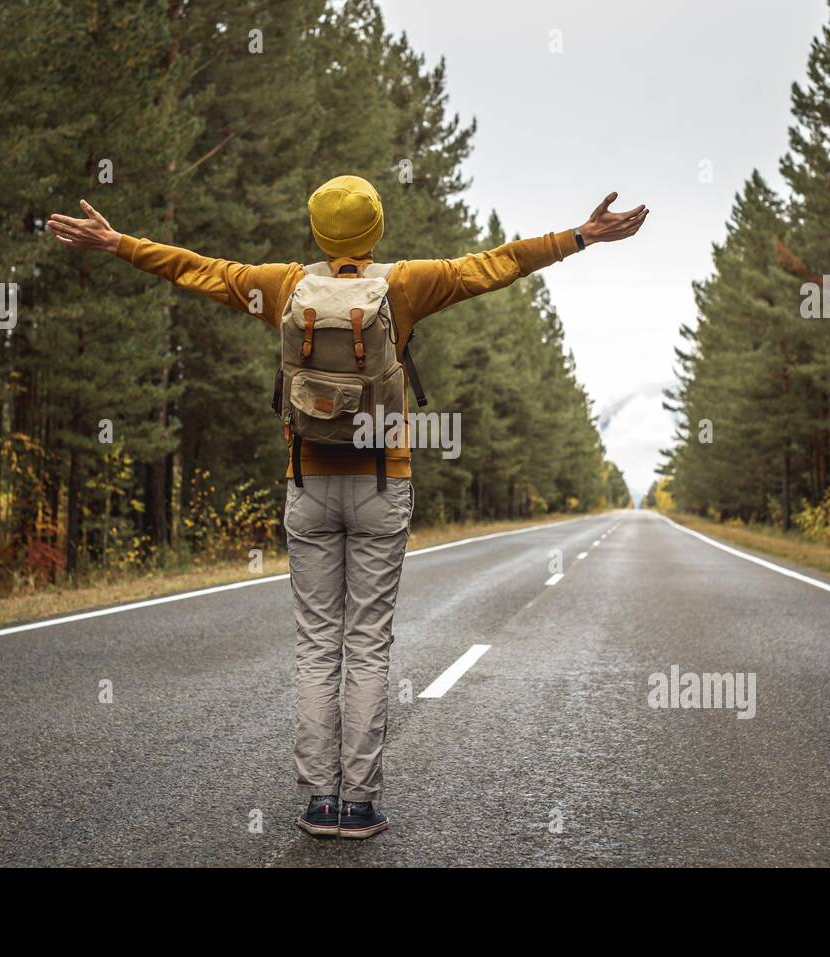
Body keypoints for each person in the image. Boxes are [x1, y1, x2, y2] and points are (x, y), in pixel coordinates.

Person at [48, 175, 647, 839]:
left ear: (317, 232)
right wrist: (580, 236)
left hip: (306, 484)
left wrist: (117, 243)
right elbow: (495, 264)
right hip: (381, 486)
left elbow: (197, 269)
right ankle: (358, 805)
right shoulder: (406, 284)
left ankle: (317, 803)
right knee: (366, 646)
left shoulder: (281, 285)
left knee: (314, 647)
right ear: (376, 230)